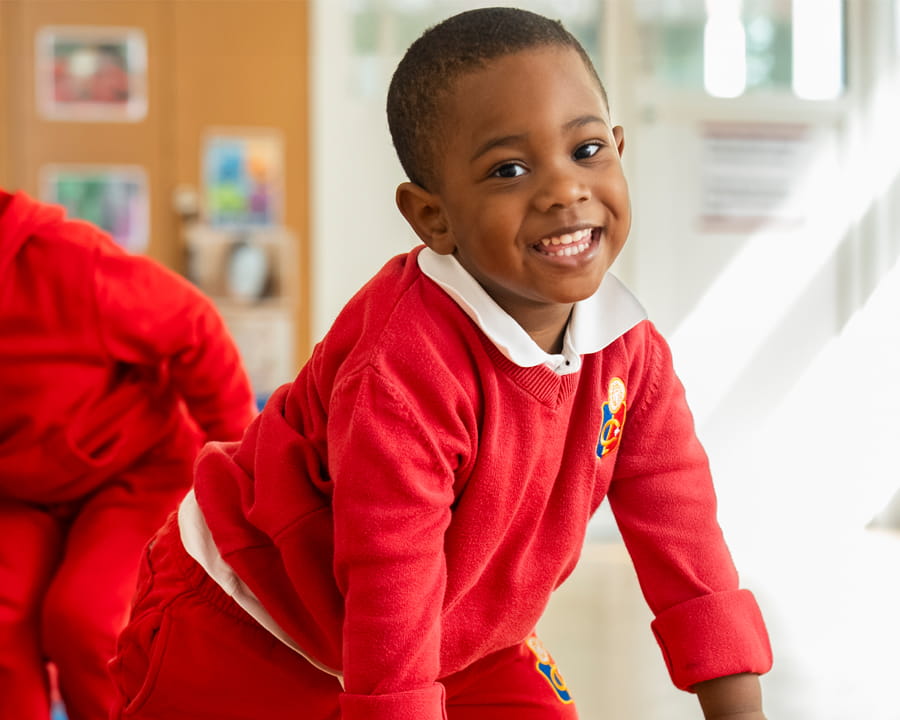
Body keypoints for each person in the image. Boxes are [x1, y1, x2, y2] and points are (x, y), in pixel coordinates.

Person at [107, 7, 773, 720]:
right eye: (508, 169)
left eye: (585, 152)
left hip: (458, 642)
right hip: (246, 620)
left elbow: (687, 541)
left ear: (617, 147)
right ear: (433, 218)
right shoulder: (405, 368)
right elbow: (391, 580)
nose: (563, 191)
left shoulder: (629, 352)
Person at [0, 188, 257, 720]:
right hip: (22, 494)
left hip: (135, 468)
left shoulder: (67, 260)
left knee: (85, 620)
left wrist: (242, 470)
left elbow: (194, 327)